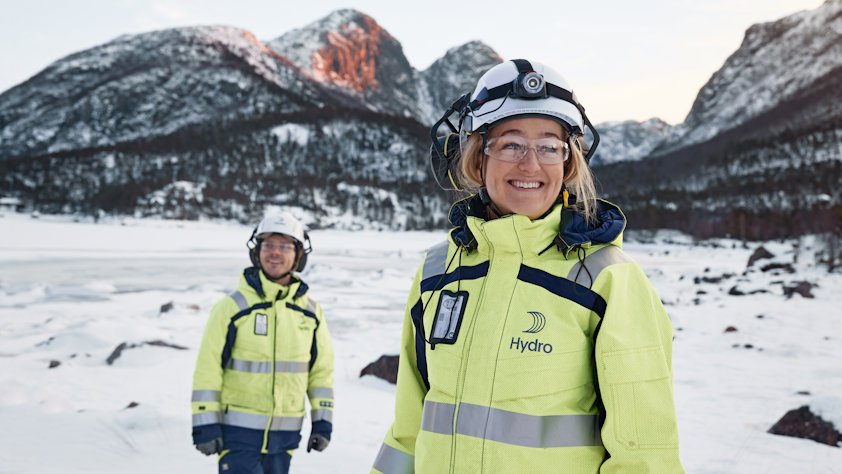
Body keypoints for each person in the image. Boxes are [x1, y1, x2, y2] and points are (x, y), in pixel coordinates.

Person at [372, 59, 683, 473]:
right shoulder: (436, 272)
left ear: (569, 162)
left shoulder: (609, 280)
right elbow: (409, 429)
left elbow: (645, 456)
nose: (530, 164)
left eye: (549, 146)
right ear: (477, 157)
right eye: (511, 144)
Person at [191, 212, 335, 474]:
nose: (275, 253)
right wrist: (205, 422)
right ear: (256, 252)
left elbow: (321, 373)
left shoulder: (311, 313)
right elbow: (208, 367)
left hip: (286, 437)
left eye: (284, 246)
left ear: (299, 255)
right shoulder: (231, 308)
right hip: (237, 435)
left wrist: (322, 421)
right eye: (268, 245)